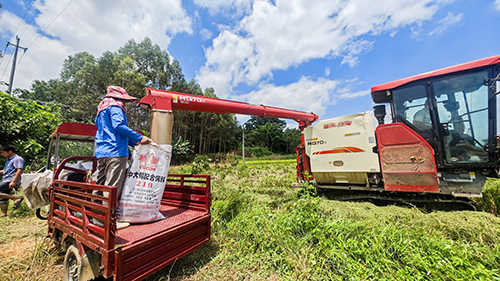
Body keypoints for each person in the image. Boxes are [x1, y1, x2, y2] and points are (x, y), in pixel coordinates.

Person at [95, 86, 151, 199]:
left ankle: (94, 213)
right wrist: (139, 137)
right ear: (119, 98)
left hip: (102, 152)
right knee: (111, 188)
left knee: (100, 186)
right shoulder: (115, 107)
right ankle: (108, 214)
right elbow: (119, 126)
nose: (125, 103)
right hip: (116, 152)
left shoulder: (101, 110)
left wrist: (134, 142)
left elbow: (111, 132)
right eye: (124, 100)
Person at [0, 145, 24, 217]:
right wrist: (1, 172)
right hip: (6, 179)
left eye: (2, 152)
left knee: (3, 194)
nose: (1, 154)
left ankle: (16, 198)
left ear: (10, 151)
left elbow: (19, 170)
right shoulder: (9, 160)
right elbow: (10, 170)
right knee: (3, 196)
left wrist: (13, 181)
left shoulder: (18, 159)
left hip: (10, 180)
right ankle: (4, 214)